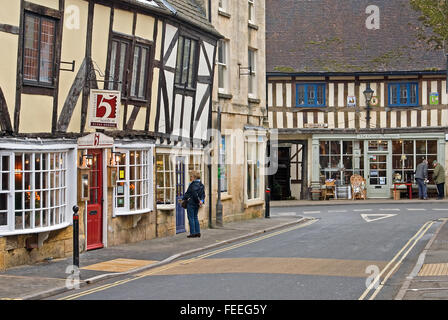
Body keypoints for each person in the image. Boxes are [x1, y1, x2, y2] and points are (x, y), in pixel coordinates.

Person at [182, 171, 205, 238]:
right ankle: (198, 232)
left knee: (191, 218)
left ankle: (192, 233)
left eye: (191, 176)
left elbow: (192, 194)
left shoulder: (192, 185)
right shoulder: (201, 185)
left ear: (194, 177)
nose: (190, 178)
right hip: (197, 204)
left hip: (191, 203)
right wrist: (201, 201)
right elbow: (203, 194)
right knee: (195, 217)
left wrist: (184, 199)